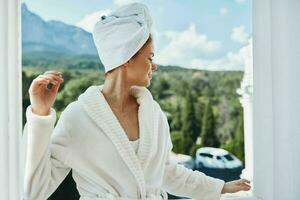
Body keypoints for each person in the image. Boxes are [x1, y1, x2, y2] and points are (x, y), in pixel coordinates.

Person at [22, 3, 251, 200]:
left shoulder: (153, 114)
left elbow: (167, 173)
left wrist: (219, 187)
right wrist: (40, 115)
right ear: (126, 57)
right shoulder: (79, 118)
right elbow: (35, 188)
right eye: (150, 57)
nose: (155, 65)